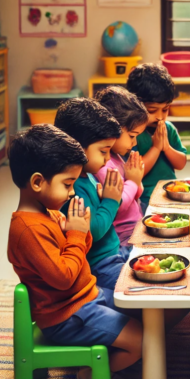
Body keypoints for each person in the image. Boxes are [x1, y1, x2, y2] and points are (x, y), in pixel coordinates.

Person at [7, 124, 142, 379]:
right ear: (37, 182)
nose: (71, 193)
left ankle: (111, 358)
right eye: (67, 184)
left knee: (143, 310)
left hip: (86, 298)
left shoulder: (48, 213)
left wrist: (79, 232)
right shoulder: (28, 229)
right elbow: (64, 277)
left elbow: (76, 257)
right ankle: (91, 375)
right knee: (143, 341)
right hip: (67, 315)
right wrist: (77, 234)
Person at [55, 98, 127, 290]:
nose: (107, 159)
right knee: (140, 292)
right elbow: (92, 230)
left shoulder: (88, 175)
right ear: (77, 146)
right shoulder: (72, 187)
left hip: (114, 251)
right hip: (99, 265)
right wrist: (112, 200)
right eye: (103, 151)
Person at [126, 63, 187, 212]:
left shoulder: (168, 129)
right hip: (147, 198)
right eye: (152, 111)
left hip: (172, 193)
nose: (160, 117)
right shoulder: (133, 134)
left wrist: (166, 148)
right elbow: (136, 173)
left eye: (165, 109)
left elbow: (181, 163)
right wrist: (156, 148)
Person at [95, 86, 148, 246]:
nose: (135, 143)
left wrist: (136, 180)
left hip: (135, 228)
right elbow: (117, 204)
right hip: (123, 239)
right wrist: (133, 180)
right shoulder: (103, 165)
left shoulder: (117, 156)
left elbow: (135, 194)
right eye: (132, 136)